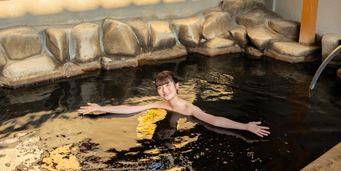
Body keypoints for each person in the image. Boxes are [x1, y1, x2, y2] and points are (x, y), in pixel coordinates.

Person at [78, 70, 270, 138]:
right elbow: (129, 109)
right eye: (160, 87)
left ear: (177, 86)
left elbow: (214, 120)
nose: (164, 90)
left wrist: (245, 126)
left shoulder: (189, 109)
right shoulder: (159, 104)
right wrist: (99, 107)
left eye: (167, 85)